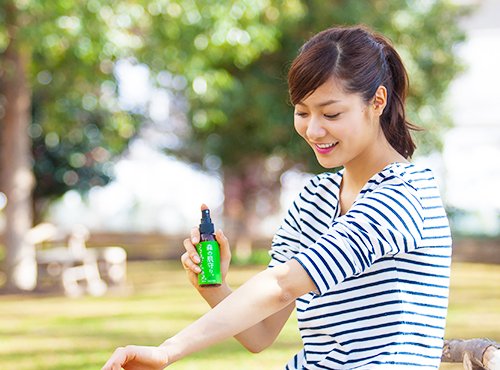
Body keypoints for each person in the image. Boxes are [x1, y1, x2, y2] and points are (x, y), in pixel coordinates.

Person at [102, 25, 452, 370]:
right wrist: (213, 285)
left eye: (331, 114)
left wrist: (167, 352)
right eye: (302, 112)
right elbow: (260, 333)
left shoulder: (403, 195)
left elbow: (282, 286)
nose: (313, 130)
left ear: (377, 102)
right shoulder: (315, 199)